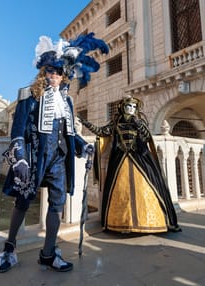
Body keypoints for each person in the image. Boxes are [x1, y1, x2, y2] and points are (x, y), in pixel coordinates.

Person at [0, 32, 109, 273]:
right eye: (50, 71)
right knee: (23, 202)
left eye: (59, 72)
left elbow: (68, 131)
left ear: (63, 75)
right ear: (43, 71)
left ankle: (48, 253)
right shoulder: (29, 96)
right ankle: (9, 248)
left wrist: (82, 144)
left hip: (59, 159)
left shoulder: (66, 101)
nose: (54, 76)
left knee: (57, 204)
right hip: (35, 157)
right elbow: (17, 131)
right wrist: (20, 160)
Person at [78, 95, 181, 234]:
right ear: (123, 107)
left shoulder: (139, 121)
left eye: (133, 107)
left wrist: (137, 123)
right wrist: (85, 123)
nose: (131, 109)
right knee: (121, 189)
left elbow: (145, 136)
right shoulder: (116, 123)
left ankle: (148, 221)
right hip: (120, 160)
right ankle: (124, 224)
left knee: (148, 186)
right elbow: (101, 132)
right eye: (128, 106)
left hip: (140, 158)